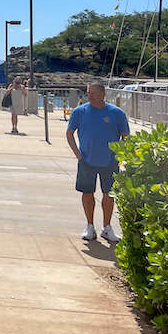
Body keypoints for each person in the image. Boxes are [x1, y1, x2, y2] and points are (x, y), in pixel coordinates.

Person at [65, 82, 129, 243]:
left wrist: (121, 156)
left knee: (109, 194)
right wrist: (78, 155)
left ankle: (107, 227)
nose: (89, 95)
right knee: (87, 193)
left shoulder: (117, 113)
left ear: (102, 94)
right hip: (86, 160)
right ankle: (90, 225)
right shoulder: (79, 112)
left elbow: (126, 137)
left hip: (110, 161)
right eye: (88, 92)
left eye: (93, 93)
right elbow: (69, 133)